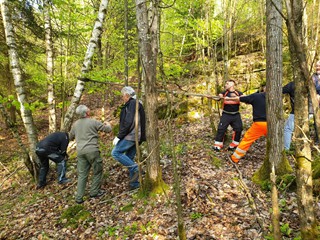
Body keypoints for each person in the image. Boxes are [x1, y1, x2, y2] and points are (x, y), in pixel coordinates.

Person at [69, 105, 112, 204]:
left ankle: (79, 198)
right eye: (88, 109)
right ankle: (94, 192)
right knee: (98, 171)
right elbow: (108, 129)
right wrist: (108, 124)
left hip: (80, 152)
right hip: (92, 151)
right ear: (87, 113)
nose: (90, 110)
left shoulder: (75, 124)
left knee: (82, 175)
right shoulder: (93, 121)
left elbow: (70, 137)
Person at [111, 86, 146, 190]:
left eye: (123, 96)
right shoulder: (137, 104)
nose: (123, 98)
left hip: (132, 135)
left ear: (127, 95)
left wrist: (119, 136)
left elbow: (128, 121)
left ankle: (136, 168)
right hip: (137, 136)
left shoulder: (132, 104)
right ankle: (134, 184)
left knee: (115, 153)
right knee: (129, 159)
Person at [228, 86, 267, 163]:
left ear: (263, 89)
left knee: (247, 139)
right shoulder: (276, 97)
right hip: (272, 124)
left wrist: (228, 98)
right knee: (275, 141)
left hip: (259, 124)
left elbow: (239, 99)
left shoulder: (256, 96)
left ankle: (234, 158)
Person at [212, 79, 243, 151]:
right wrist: (212, 97)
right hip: (226, 114)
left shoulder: (238, 93)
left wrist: (233, 98)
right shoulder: (224, 93)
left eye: (227, 83)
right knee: (221, 129)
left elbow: (244, 98)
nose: (225, 85)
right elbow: (218, 97)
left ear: (232, 84)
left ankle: (234, 144)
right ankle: (218, 145)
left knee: (239, 128)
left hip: (236, 115)